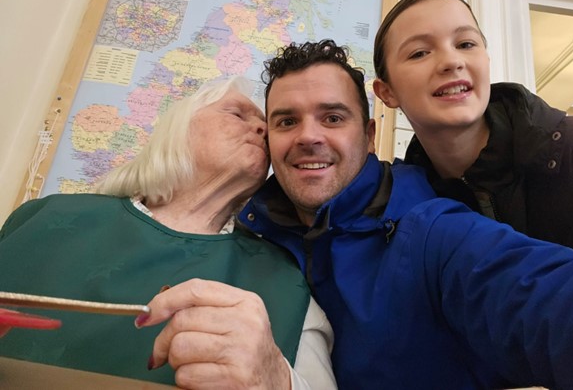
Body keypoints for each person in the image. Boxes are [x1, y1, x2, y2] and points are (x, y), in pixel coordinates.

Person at [237, 39, 573, 389]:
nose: (307, 137)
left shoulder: (433, 232)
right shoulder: (254, 237)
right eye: (286, 122)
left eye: (332, 118)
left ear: (369, 137)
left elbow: (560, 303)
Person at [0, 76, 336, 389]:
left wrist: (276, 377)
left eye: (268, 123)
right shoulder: (46, 216)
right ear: (178, 128)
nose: (264, 128)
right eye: (238, 114)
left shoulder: (286, 281)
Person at [372, 0, 573, 256]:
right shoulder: (409, 211)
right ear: (386, 92)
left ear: (486, 59)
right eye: (420, 53)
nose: (452, 61)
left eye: (466, 44)